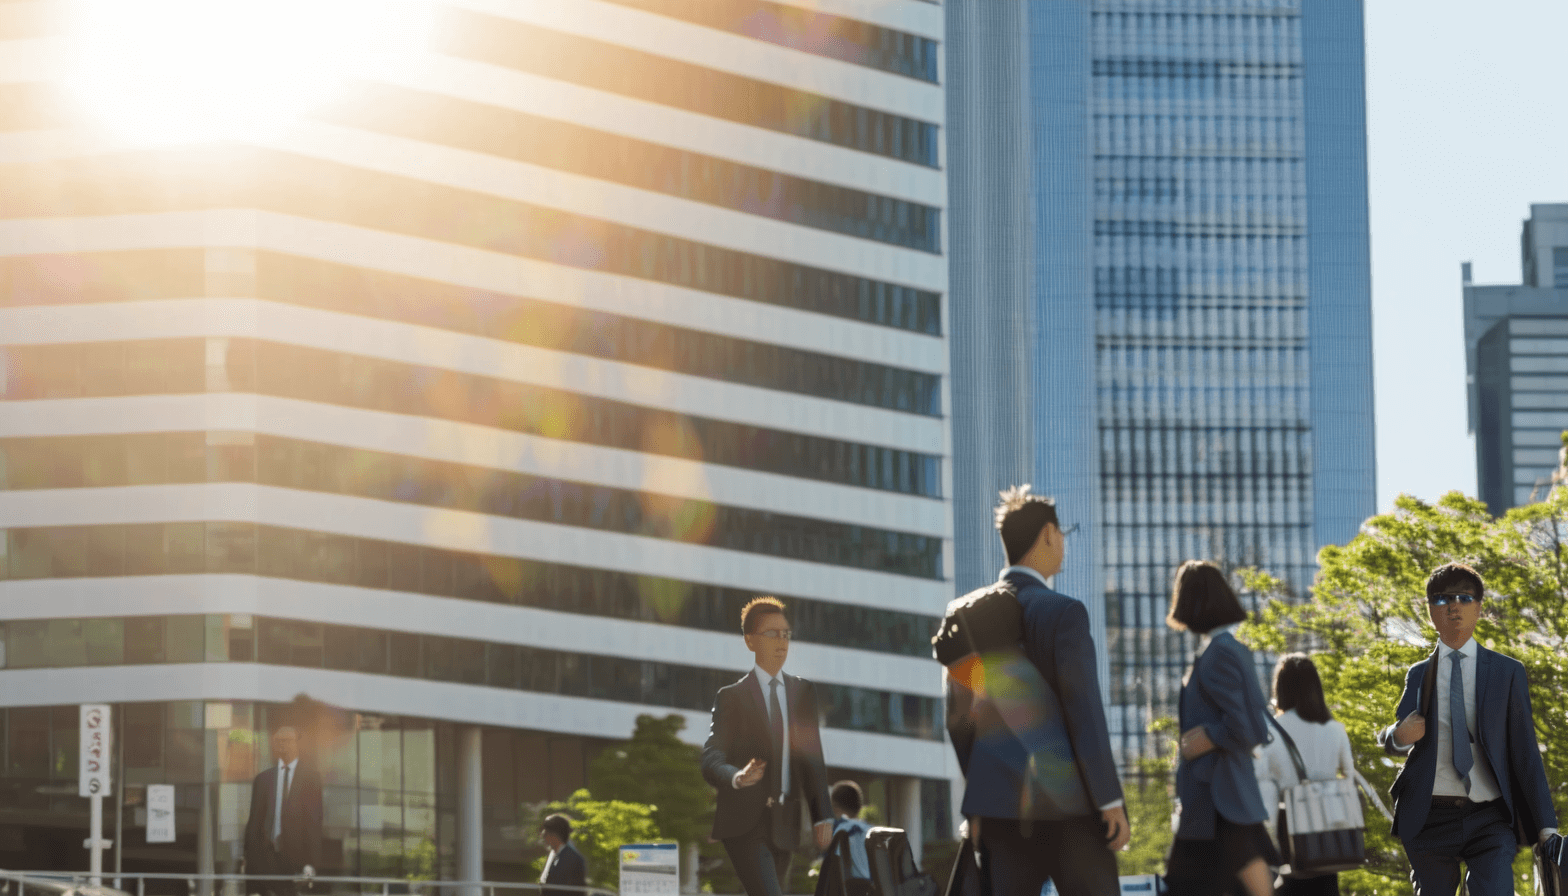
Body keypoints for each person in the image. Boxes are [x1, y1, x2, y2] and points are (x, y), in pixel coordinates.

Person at [945, 486, 1129, 896]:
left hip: (998, 810)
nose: (1063, 542)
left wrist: (979, 797)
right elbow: (1084, 711)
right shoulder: (1064, 612)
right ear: (1048, 533)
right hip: (1069, 804)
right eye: (1062, 533)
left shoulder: (964, 614)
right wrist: (1109, 800)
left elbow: (959, 719)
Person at [1375, 563, 1558, 896]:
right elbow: (1395, 734)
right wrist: (1399, 737)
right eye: (1442, 599)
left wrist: (1546, 825)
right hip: (1428, 816)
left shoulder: (1507, 672)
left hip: (1490, 816)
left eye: (1464, 597)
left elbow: (1525, 751)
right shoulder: (1419, 674)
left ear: (1479, 607)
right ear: (1430, 609)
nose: (1453, 606)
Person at [702, 596, 833, 896]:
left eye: (785, 634)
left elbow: (812, 760)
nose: (781, 641)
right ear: (750, 640)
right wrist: (737, 776)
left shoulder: (803, 692)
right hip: (745, 823)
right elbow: (711, 757)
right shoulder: (731, 697)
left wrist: (822, 815)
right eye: (772, 633)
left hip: (786, 823)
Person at [1167, 560, 1279, 896]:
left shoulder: (1220, 653)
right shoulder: (1222, 649)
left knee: (1195, 882)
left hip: (1218, 798)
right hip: (1216, 801)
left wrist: (1207, 737)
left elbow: (1248, 727)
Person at [1254, 654, 1357, 896]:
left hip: (1290, 834)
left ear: (1280, 688)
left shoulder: (1271, 732)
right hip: (1331, 834)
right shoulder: (1335, 730)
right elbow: (1349, 779)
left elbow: (1261, 791)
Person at [243, 724, 322, 896]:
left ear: (297, 744)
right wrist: (249, 858)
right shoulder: (263, 779)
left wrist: (311, 864)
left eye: (286, 740)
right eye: (278, 741)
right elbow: (254, 822)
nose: (281, 744)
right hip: (266, 859)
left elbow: (314, 823)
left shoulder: (311, 778)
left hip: (296, 860)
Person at [828, 780, 873, 885]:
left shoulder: (838, 831)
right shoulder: (872, 831)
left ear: (834, 806)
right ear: (860, 807)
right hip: (874, 889)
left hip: (851, 888)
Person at [539, 813, 587, 896]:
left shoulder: (571, 859)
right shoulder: (556, 855)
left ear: (554, 835)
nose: (543, 836)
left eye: (546, 833)